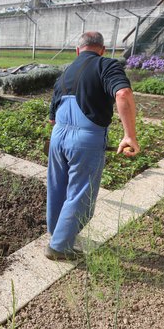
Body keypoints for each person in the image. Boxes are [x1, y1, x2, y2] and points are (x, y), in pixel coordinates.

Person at [45, 32, 139, 261]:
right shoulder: (106, 65)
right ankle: (59, 247)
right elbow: (123, 93)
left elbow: (52, 119)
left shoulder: (65, 72)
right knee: (80, 193)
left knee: (57, 187)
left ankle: (57, 233)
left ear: (78, 51)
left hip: (58, 137)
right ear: (102, 49)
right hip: (86, 139)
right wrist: (129, 136)